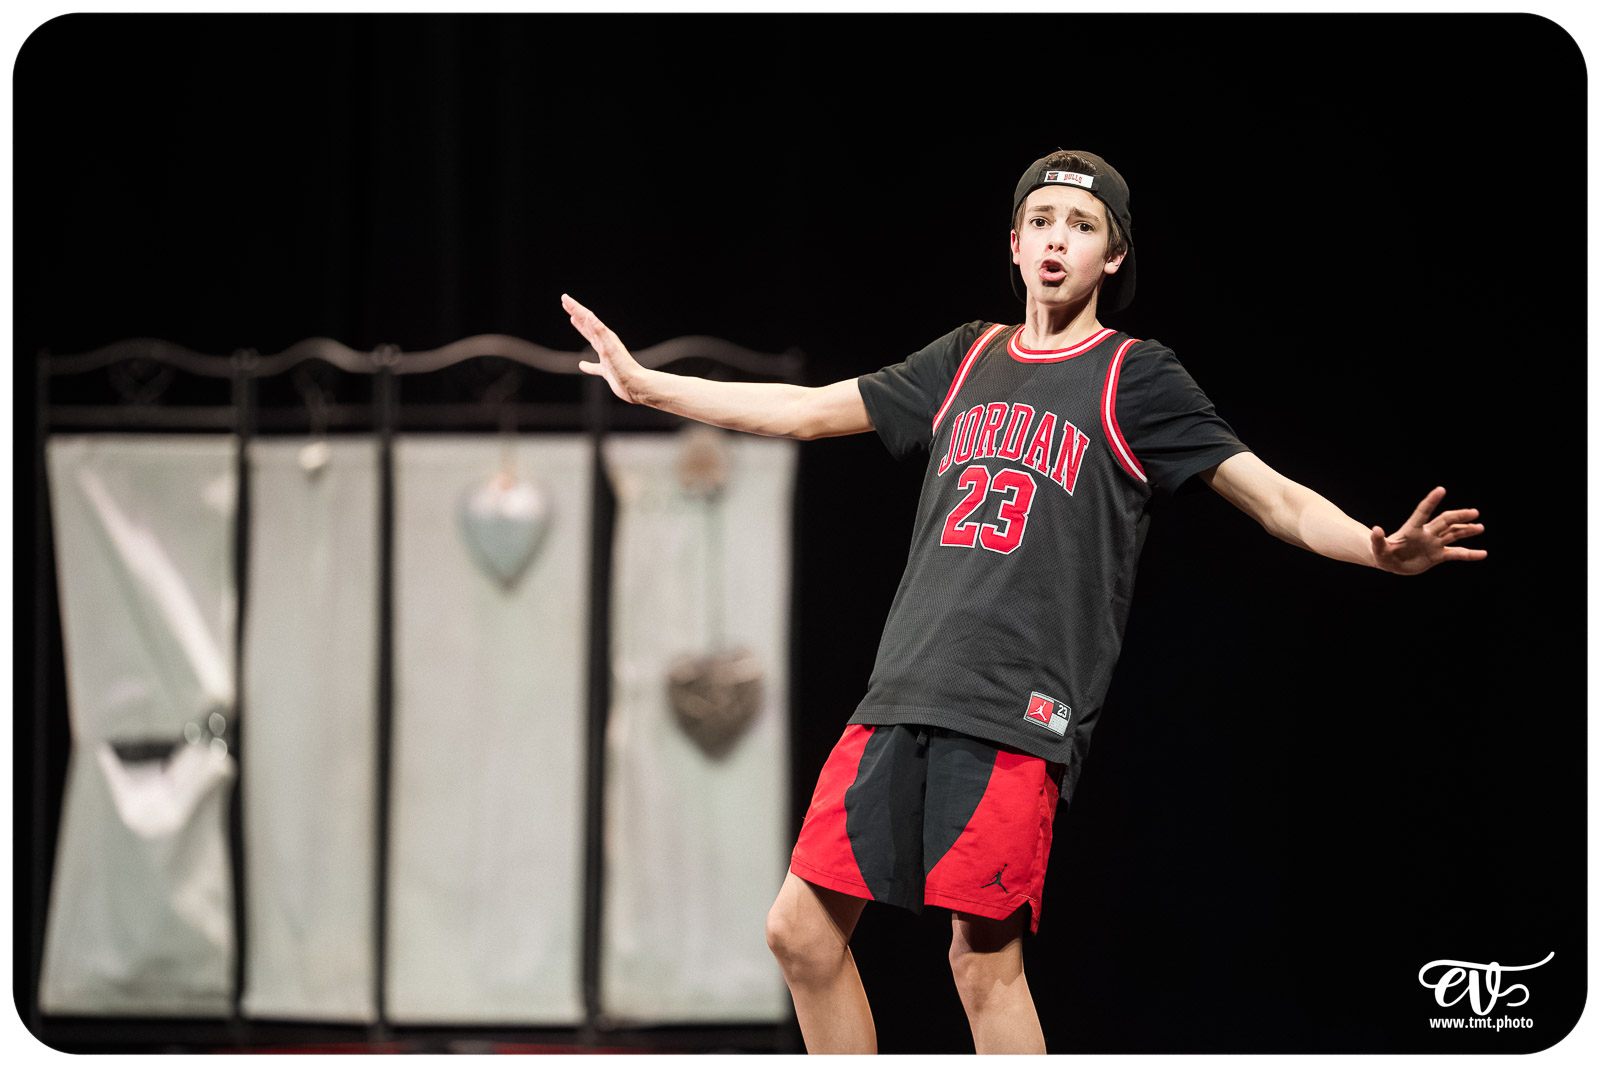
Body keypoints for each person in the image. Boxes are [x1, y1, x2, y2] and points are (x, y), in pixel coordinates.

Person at [560, 149, 1486, 1054]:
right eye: (1041, 221)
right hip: (899, 694)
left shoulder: (1136, 376)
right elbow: (806, 409)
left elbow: (1273, 496)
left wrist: (1374, 545)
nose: (1057, 239)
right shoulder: (964, 360)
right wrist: (646, 386)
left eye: (1082, 226)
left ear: (1112, 257)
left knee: (979, 962)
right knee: (799, 934)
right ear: (1012, 243)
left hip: (1012, 708)